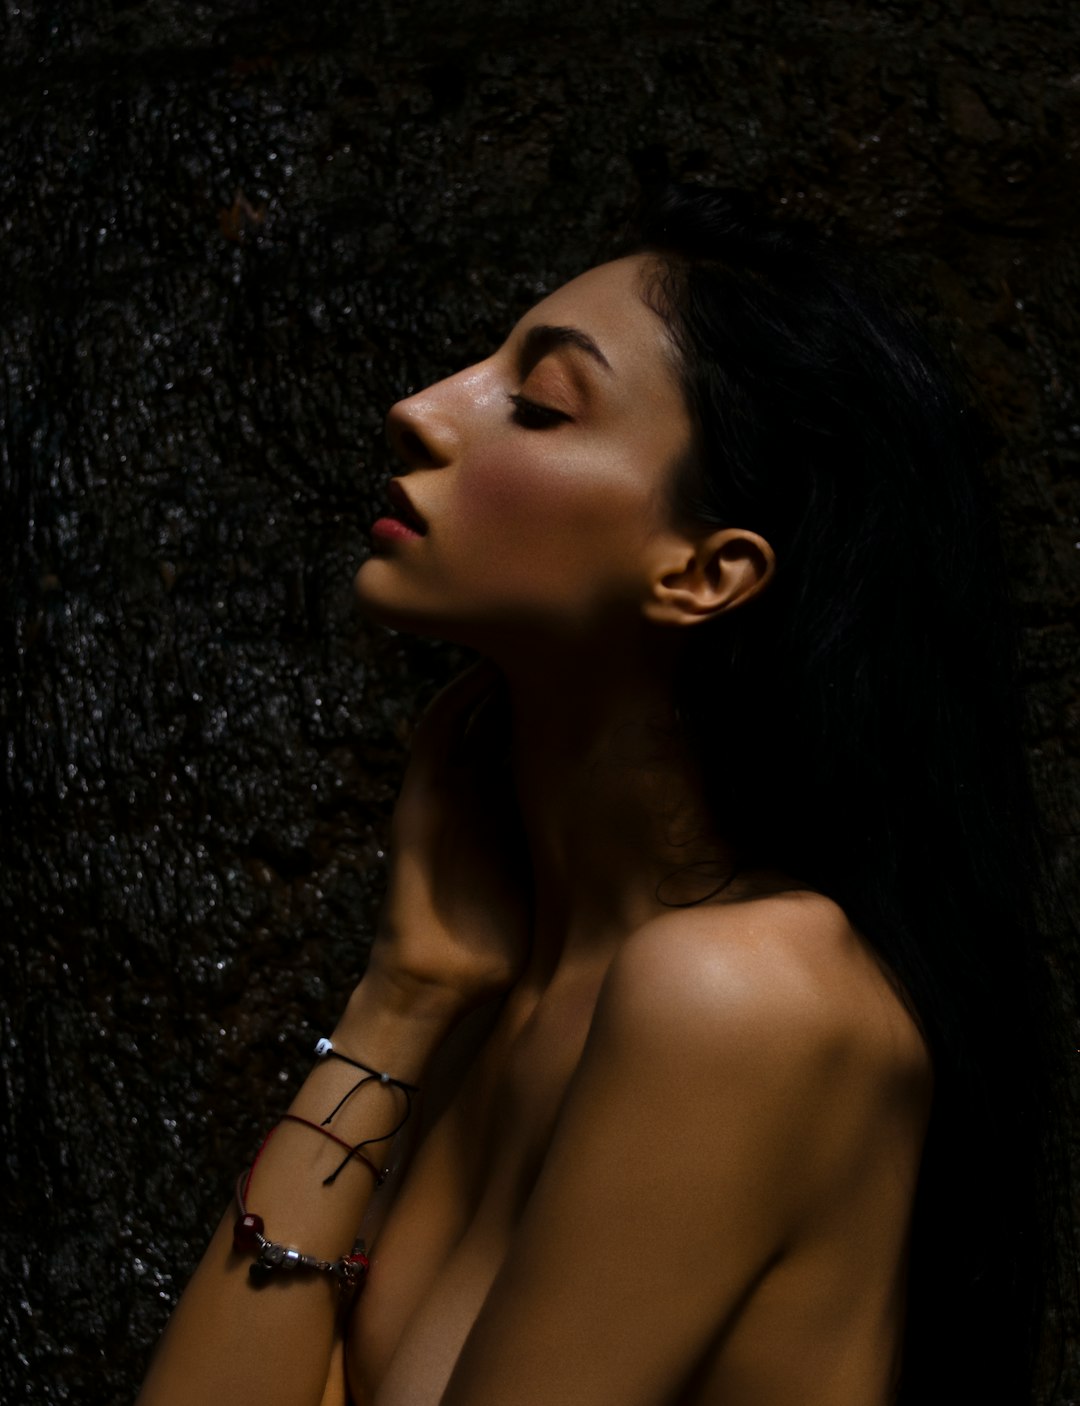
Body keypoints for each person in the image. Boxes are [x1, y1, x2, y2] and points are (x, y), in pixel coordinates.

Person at [137, 186, 1068, 1406]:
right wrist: (400, 998)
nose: (420, 410)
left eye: (538, 404)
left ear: (705, 571)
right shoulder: (489, 982)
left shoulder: (751, 996)